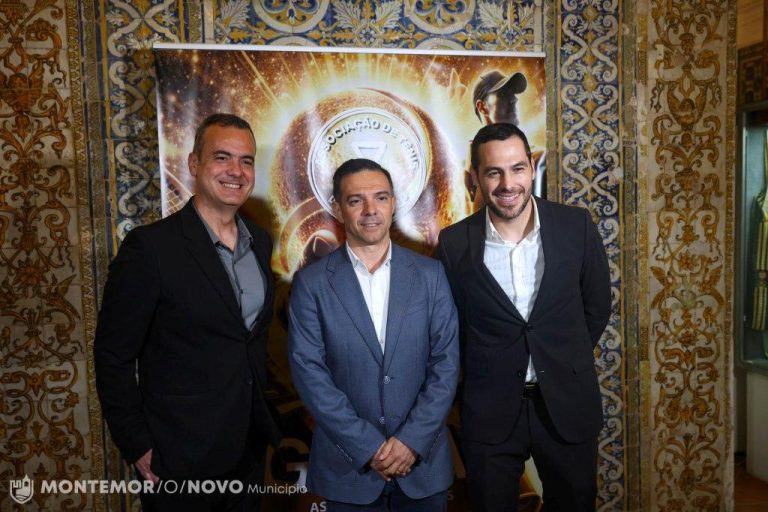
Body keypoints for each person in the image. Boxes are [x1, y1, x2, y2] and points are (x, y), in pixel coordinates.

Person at [94, 113, 281, 511]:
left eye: (246, 161)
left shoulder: (261, 243)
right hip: (178, 455)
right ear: (194, 163)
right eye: (222, 157)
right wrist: (137, 444)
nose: (236, 171)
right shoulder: (150, 249)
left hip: (248, 449)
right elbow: (113, 356)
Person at [437, 123, 611, 511]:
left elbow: (597, 305)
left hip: (566, 404)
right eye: (493, 172)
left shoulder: (576, 226)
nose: (507, 184)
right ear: (475, 178)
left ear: (532, 168)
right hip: (490, 410)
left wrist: (561, 357)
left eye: (517, 168)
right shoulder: (453, 243)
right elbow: (452, 328)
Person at [288, 158, 459, 511]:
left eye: (381, 198)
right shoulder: (311, 284)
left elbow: (446, 365)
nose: (371, 210)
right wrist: (368, 447)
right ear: (338, 208)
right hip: (348, 471)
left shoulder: (431, 275)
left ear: (393, 203)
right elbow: (309, 373)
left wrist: (411, 441)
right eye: (356, 200)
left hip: (422, 468)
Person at [467, 70, 547, 203]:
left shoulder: (540, 158)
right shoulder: (459, 170)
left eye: (513, 94)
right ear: (482, 107)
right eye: (503, 94)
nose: (514, 99)